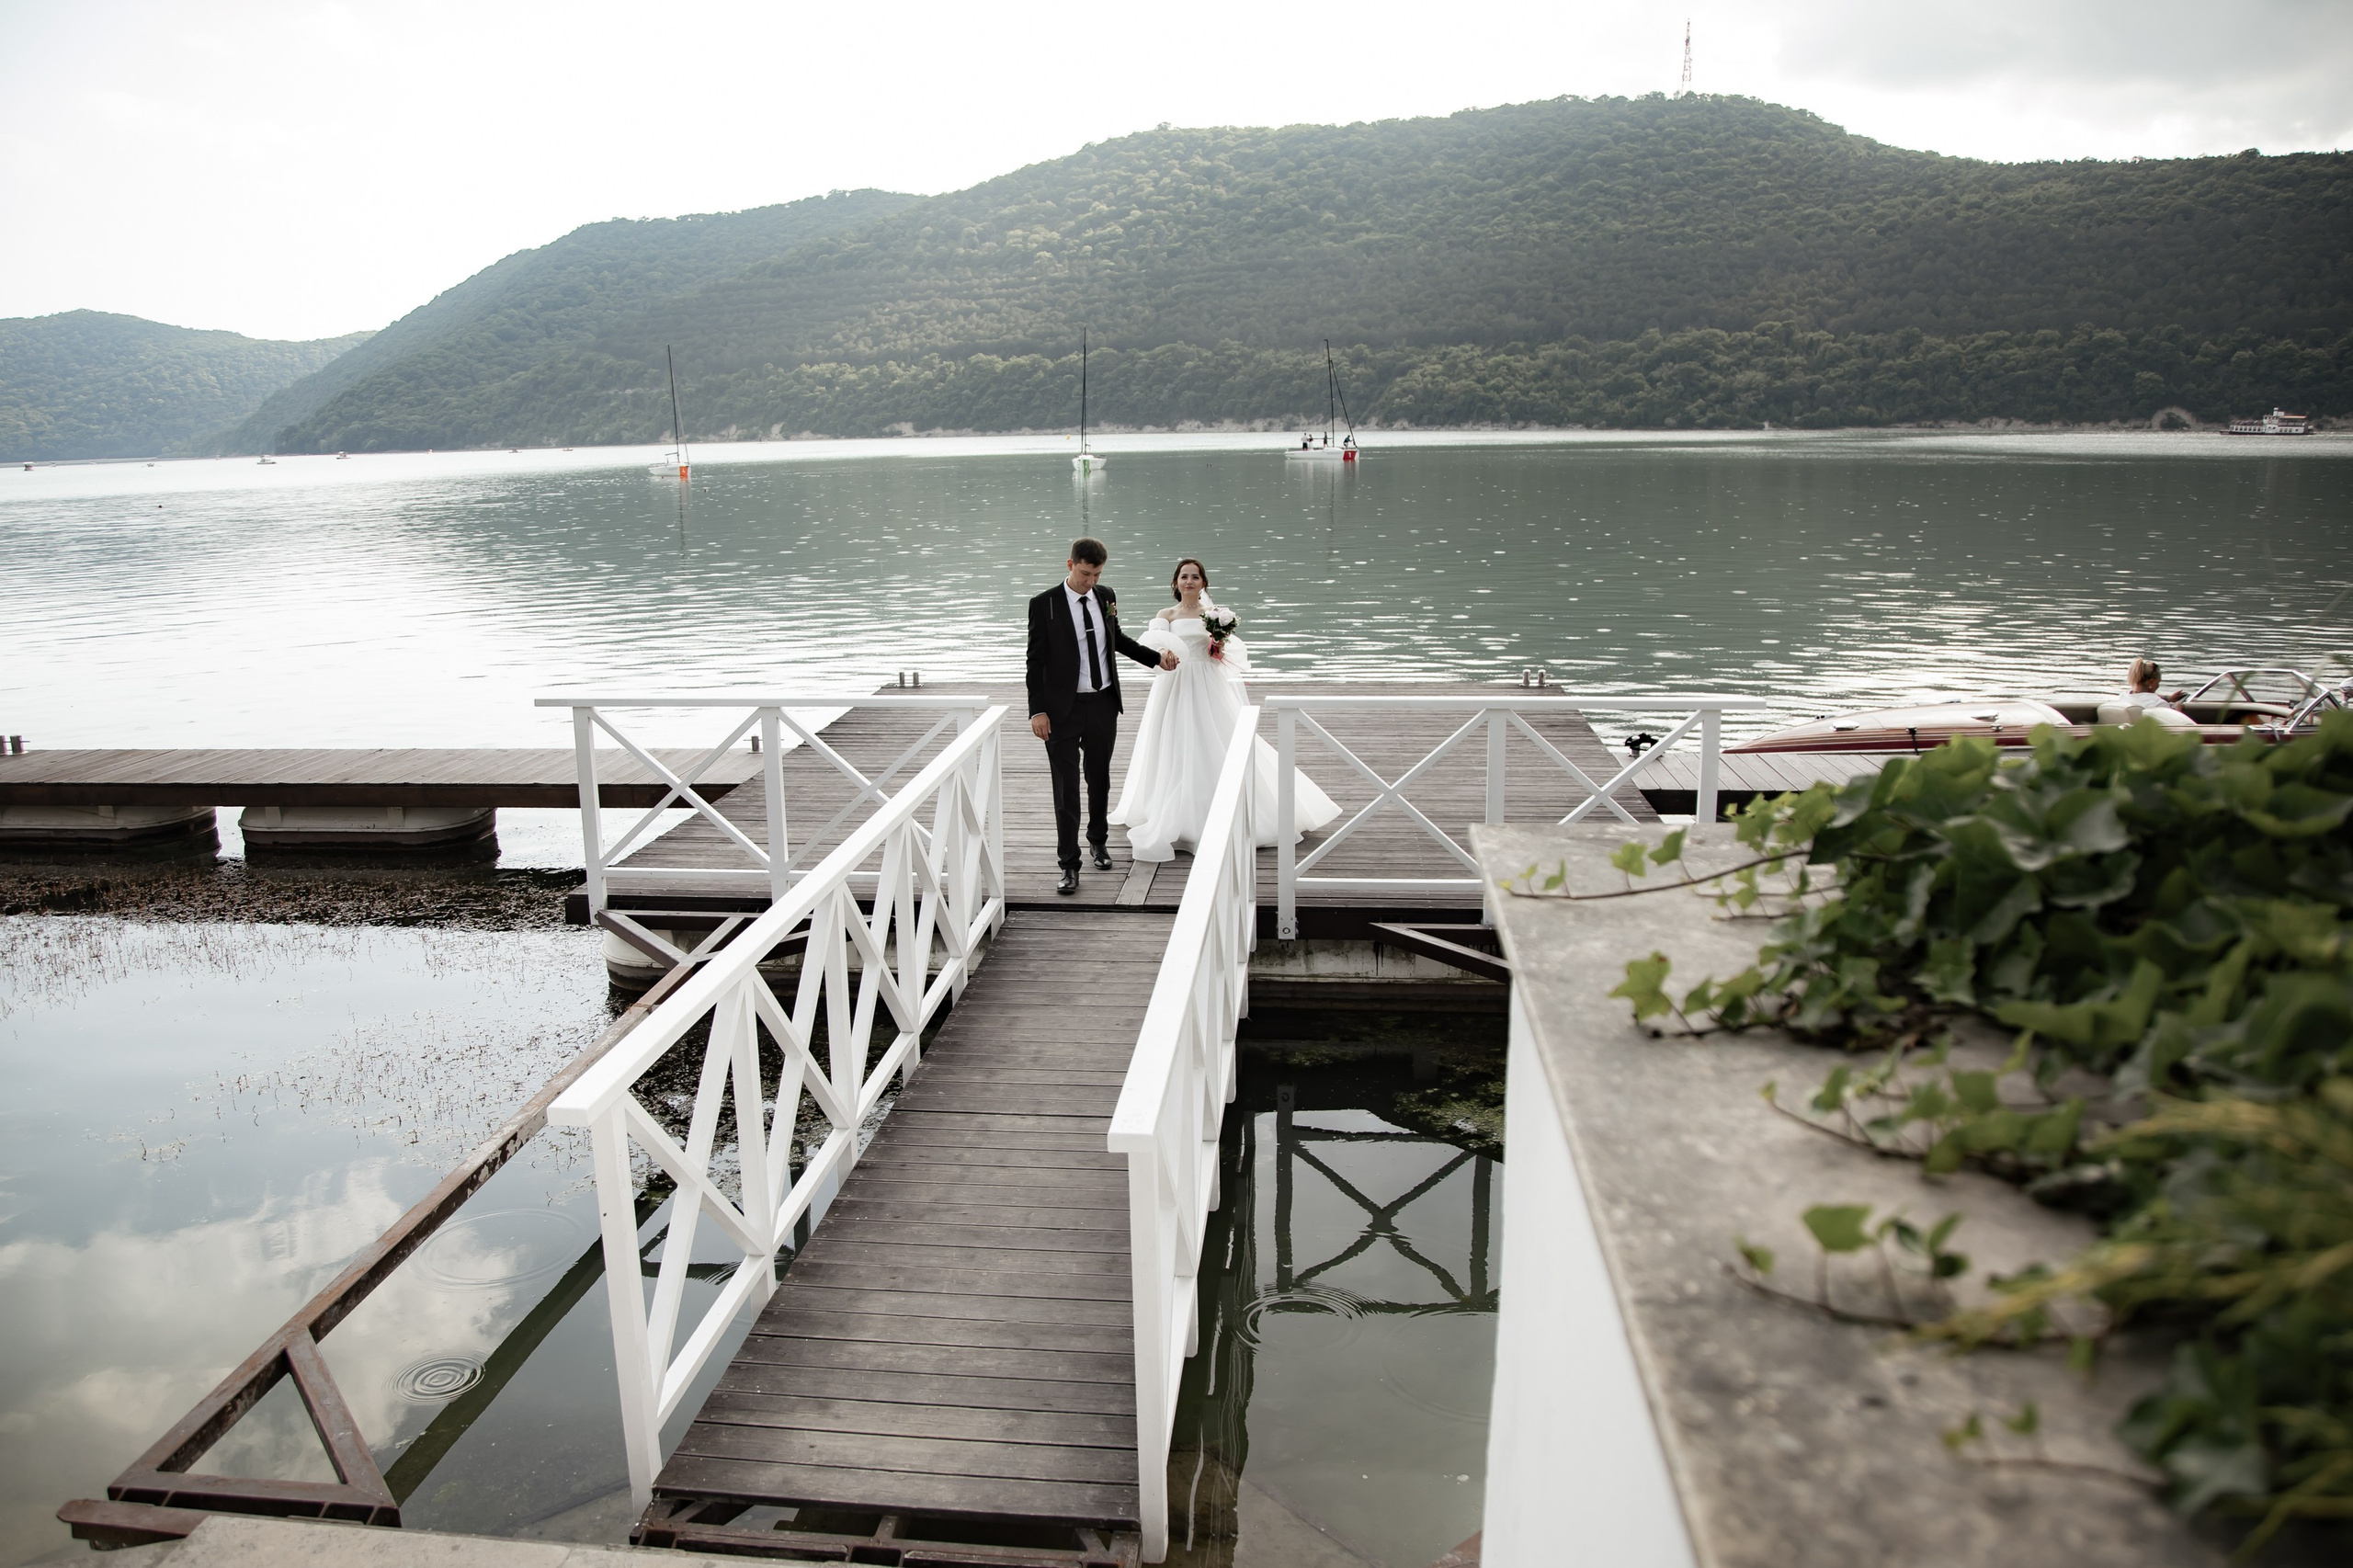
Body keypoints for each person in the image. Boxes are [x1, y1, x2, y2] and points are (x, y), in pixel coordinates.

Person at [1110, 558, 1341, 862]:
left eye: (1195, 577)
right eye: (1184, 577)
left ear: (1203, 583)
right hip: (1176, 684)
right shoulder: (1165, 615)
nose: (1189, 581)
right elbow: (1153, 648)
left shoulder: (1215, 616)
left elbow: (1225, 653)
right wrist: (1164, 654)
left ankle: (1238, 809)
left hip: (1209, 682)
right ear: (1176, 583)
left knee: (1219, 740)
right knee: (1174, 742)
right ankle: (1171, 809)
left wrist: (1217, 648)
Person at [1027, 537, 1178, 896]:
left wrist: (1156, 658)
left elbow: (1117, 639)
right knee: (1065, 789)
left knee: (1099, 779)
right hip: (1061, 711)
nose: (1090, 581)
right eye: (1084, 574)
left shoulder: (1106, 596)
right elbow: (1035, 661)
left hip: (1103, 704)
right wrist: (1038, 710)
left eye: (1096, 575)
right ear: (1069, 565)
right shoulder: (1044, 604)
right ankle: (1068, 864)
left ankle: (1098, 841)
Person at [2096, 657, 2195, 728]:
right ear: (2151, 682)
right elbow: (2175, 728)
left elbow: (2142, 696)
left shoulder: (2124, 696)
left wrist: (2168, 698)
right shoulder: (2158, 704)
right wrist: (2178, 710)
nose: (2158, 685)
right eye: (2158, 682)